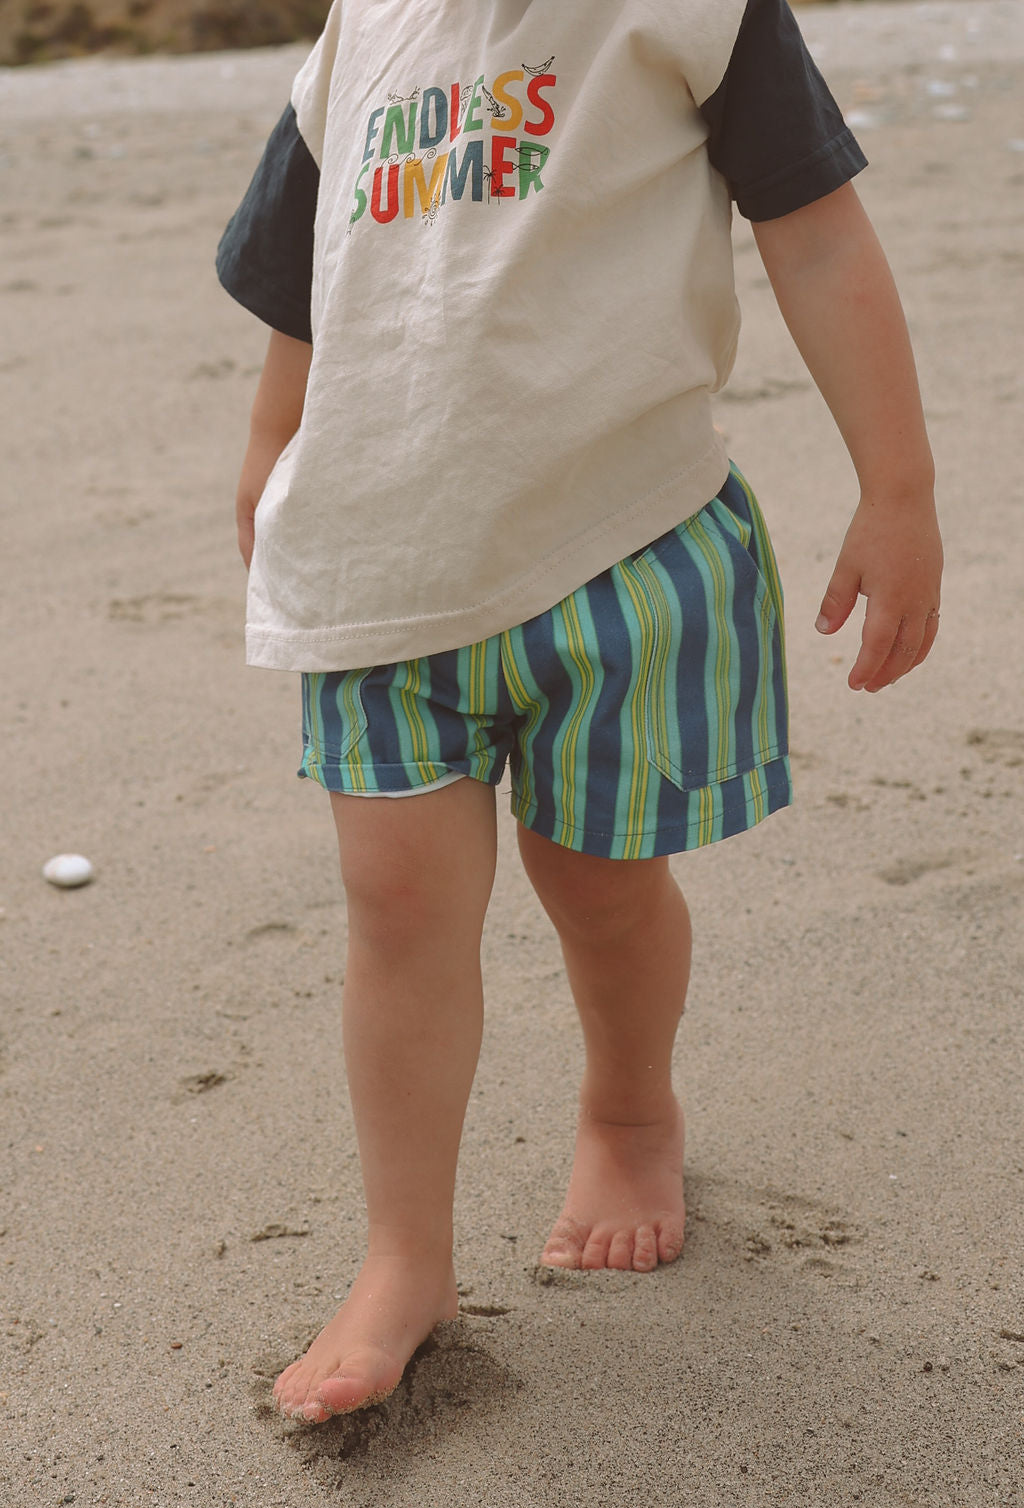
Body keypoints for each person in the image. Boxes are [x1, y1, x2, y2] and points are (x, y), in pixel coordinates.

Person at [217, 0, 942, 1423]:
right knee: (398, 908)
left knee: (601, 885)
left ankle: (627, 1107)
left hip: (619, 540)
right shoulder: (363, 27)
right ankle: (404, 1258)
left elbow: (816, 234)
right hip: (381, 565)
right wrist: (265, 448)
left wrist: (898, 486)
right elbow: (305, 276)